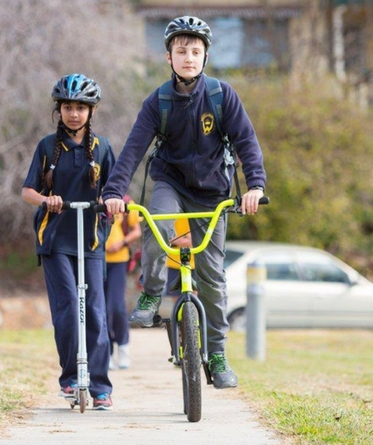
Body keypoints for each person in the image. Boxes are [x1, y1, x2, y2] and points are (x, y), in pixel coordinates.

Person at [102, 16, 267, 389]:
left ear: (205, 55)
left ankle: (219, 354)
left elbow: (246, 144)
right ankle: (151, 293)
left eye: (195, 51)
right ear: (169, 57)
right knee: (157, 219)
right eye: (181, 51)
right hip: (171, 183)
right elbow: (132, 151)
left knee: (212, 278)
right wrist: (113, 192)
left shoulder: (222, 96)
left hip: (212, 193)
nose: (188, 57)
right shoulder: (157, 101)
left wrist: (254, 186)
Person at [21, 73, 116, 410]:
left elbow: (114, 188)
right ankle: (71, 378)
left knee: (95, 312)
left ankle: (101, 385)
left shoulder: (102, 147)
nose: (74, 113)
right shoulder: (48, 147)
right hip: (56, 239)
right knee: (66, 310)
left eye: (80, 107)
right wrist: (46, 200)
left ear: (90, 111)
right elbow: (28, 190)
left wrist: (115, 200)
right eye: (67, 107)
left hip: (91, 239)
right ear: (58, 110)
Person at [104, 195, 141, 370]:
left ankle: (123, 346)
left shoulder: (126, 201)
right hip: (95, 259)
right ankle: (107, 351)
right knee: (100, 308)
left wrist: (122, 243)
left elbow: (136, 230)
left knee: (116, 306)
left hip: (118, 260)